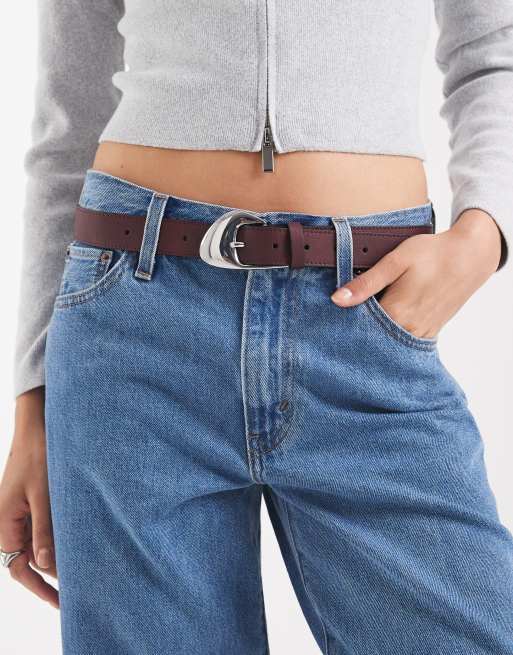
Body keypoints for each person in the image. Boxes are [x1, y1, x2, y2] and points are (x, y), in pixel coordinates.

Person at [1, 2, 513, 653]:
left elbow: (496, 50)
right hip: (133, 322)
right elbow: (68, 124)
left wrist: (484, 233)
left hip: (364, 315)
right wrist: (34, 397)